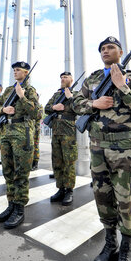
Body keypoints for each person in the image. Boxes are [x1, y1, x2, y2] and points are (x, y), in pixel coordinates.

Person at [73, 37, 131, 261]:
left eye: (111, 48)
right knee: (102, 196)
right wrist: (92, 103)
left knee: (125, 199)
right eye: (103, 48)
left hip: (124, 147)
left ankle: (126, 249)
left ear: (121, 52)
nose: (106, 51)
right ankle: (110, 242)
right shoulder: (93, 78)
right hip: (97, 147)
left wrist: (122, 87)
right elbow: (75, 103)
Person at [0, 61, 39, 229]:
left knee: (21, 173)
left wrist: (22, 97)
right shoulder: (7, 90)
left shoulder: (30, 91)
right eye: (14, 70)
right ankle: (10, 205)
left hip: (22, 134)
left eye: (18, 70)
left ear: (26, 73)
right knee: (8, 171)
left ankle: (19, 209)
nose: (14, 72)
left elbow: (37, 113)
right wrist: (3, 110)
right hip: (6, 133)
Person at [45, 72, 78, 205]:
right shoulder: (57, 94)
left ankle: (69, 190)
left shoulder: (76, 95)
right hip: (56, 131)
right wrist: (54, 107)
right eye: (62, 77)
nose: (63, 79)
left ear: (71, 79)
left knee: (68, 161)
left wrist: (70, 98)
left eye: (66, 77)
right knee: (57, 161)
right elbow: (46, 108)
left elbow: (79, 109)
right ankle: (61, 188)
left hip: (68, 131)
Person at [32, 101, 43, 171]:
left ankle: (35, 163)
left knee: (35, 146)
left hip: (36, 129)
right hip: (29, 128)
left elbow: (39, 116)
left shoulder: (39, 106)